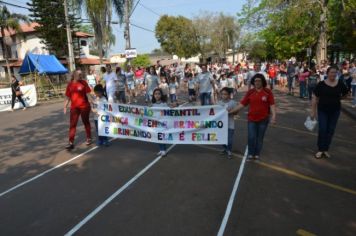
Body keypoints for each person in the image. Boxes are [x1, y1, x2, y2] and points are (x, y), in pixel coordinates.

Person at [229, 73, 276, 160]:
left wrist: (273, 117)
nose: (257, 82)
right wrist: (231, 111)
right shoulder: (250, 92)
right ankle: (250, 153)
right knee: (251, 137)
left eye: (259, 81)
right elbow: (242, 104)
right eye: (255, 81)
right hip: (252, 119)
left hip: (263, 119)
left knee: (259, 138)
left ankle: (257, 154)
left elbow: (272, 105)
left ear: (262, 82)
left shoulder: (268, 92)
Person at [311, 65, 348, 159]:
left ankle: (325, 149)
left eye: (335, 72)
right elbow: (315, 97)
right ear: (327, 73)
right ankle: (320, 149)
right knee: (323, 129)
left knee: (330, 130)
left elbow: (345, 94)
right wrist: (313, 112)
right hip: (322, 110)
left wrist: (338, 98)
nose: (333, 74)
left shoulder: (340, 83)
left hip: (335, 111)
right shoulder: (321, 84)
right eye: (331, 72)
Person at [64, 70, 92, 150]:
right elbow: (68, 96)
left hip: (84, 107)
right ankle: (71, 142)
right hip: (74, 108)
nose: (81, 75)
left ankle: (89, 138)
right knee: (72, 125)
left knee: (86, 122)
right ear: (74, 75)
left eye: (81, 74)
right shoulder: (70, 84)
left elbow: (88, 94)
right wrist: (65, 106)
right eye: (79, 74)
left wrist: (92, 103)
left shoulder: (84, 83)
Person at [218, 87, 237, 158]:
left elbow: (236, 113)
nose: (223, 96)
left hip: (230, 124)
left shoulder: (233, 102)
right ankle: (225, 148)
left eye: (225, 94)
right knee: (222, 138)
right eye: (222, 94)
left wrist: (231, 111)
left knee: (229, 139)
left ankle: (229, 150)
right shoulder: (219, 103)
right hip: (221, 125)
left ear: (229, 95)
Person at [151, 88, 168, 156]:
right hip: (156, 124)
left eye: (158, 94)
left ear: (161, 95)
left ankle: (164, 150)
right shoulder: (153, 104)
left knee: (162, 137)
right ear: (153, 95)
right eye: (155, 94)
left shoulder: (164, 104)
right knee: (158, 137)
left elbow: (168, 112)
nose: (157, 95)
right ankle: (160, 150)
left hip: (163, 124)